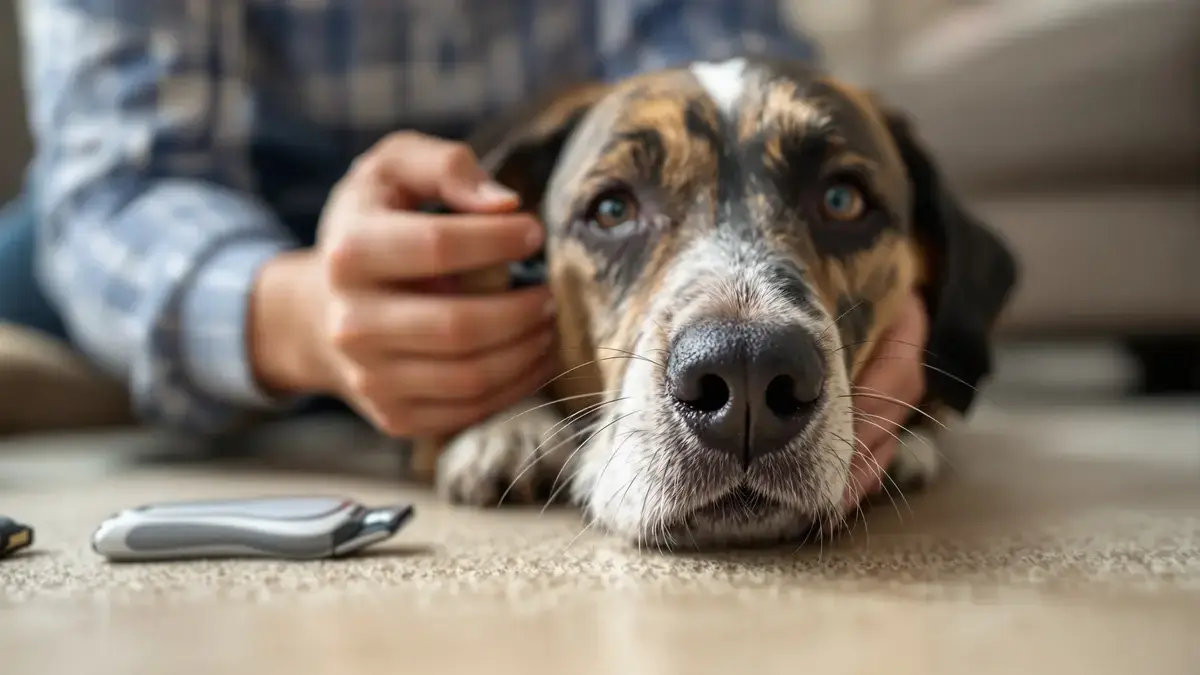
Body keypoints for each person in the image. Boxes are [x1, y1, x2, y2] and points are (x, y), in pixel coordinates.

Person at [1, 0, 928, 511]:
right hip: (219, 196)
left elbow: (728, 80)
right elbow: (116, 187)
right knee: (30, 262)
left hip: (526, 219)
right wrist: (297, 316)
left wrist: (883, 307)